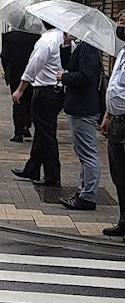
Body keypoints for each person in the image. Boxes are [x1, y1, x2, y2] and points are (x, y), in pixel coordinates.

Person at [12, 21, 64, 186]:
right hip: (57, 90)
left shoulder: (46, 41)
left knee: (46, 134)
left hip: (45, 91)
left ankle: (52, 175)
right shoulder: (63, 38)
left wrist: (20, 88)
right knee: (43, 131)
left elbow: (33, 65)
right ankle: (33, 168)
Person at [58, 36, 104, 211]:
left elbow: (85, 75)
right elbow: (69, 65)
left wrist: (65, 77)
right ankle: (83, 191)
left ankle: (88, 196)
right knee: (82, 151)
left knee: (88, 153)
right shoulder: (83, 46)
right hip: (79, 106)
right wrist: (67, 45)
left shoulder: (89, 47)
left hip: (84, 107)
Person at [101, 9, 125, 238]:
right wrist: (108, 115)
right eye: (119, 21)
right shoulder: (123, 52)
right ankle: (123, 220)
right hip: (118, 121)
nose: (120, 27)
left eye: (124, 22)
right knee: (118, 174)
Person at [1, 26, 38, 142]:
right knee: (28, 99)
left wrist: (6, 70)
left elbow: (4, 56)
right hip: (30, 73)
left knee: (17, 102)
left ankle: (18, 132)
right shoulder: (35, 37)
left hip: (15, 73)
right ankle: (27, 126)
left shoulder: (8, 37)